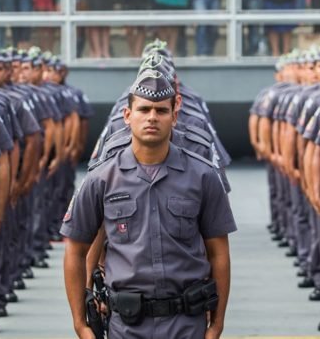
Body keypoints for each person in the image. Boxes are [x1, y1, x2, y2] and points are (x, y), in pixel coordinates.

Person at [62, 69, 236, 338]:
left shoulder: (203, 176)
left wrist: (216, 324)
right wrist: (80, 323)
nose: (152, 117)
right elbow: (75, 250)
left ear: (174, 116)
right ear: (127, 116)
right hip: (126, 326)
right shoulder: (101, 178)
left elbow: (219, 253)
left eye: (161, 110)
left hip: (185, 324)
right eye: (144, 109)